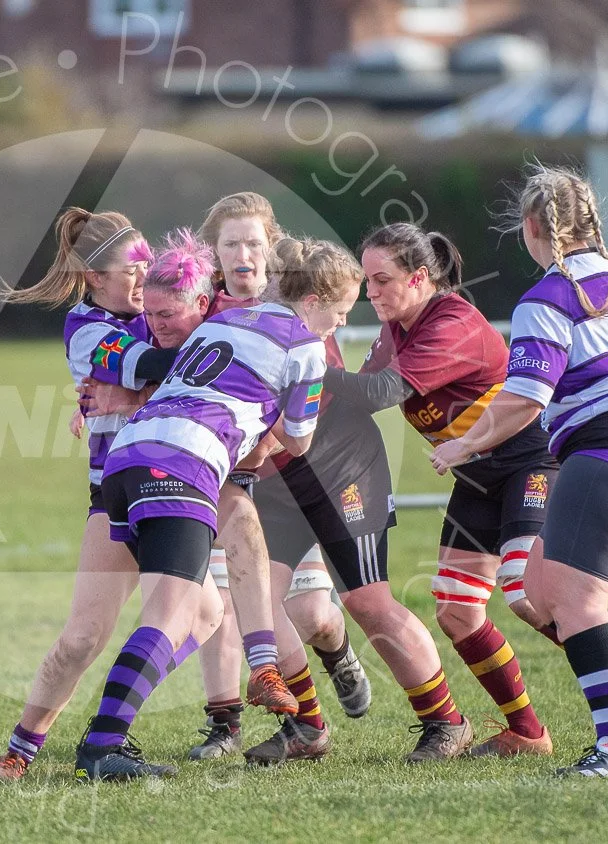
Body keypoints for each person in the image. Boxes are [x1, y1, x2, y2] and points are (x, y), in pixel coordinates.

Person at [430, 165, 608, 777]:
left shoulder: (547, 298)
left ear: (532, 227)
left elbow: (526, 395)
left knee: (576, 599)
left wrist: (463, 444)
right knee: (543, 589)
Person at [71, 232, 353, 783]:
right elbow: (298, 441)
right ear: (314, 301)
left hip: (125, 456)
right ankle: (103, 745)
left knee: (207, 595)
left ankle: (119, 724)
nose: (339, 325)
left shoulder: (224, 321)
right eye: (340, 313)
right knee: (171, 617)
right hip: (184, 464)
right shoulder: (305, 346)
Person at [0, 213, 225, 782]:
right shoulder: (86, 329)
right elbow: (155, 366)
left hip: (173, 483)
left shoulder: (156, 311)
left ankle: (109, 721)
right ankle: (20, 750)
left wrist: (137, 394)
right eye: (129, 268)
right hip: (115, 494)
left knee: (206, 615)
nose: (143, 275)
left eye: (146, 263)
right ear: (92, 275)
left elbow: (155, 379)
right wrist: (217, 348)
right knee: (84, 636)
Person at [327, 222, 556, 758]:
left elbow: (382, 391)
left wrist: (309, 364)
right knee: (457, 611)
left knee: (531, 594)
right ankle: (527, 733)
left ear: (420, 277)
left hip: (528, 462)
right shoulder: (396, 326)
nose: (371, 292)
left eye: (382, 280)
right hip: (477, 477)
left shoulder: (450, 322)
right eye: (366, 281)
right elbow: (355, 399)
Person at [185, 195, 370, 763]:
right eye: (231, 244)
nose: (244, 255)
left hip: (291, 481)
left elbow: (311, 409)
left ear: (272, 247)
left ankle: (337, 652)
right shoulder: (202, 311)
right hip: (224, 481)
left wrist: (264, 441)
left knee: (311, 616)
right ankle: (236, 725)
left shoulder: (306, 311)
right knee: (226, 607)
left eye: (254, 243)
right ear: (215, 254)